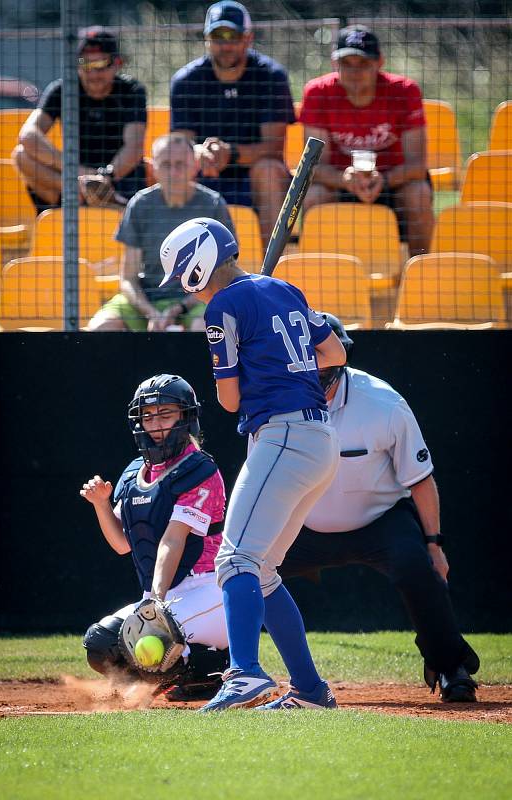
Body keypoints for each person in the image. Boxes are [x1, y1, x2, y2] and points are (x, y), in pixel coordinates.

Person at [158, 218, 347, 711]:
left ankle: (244, 673)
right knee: (260, 573)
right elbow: (334, 351)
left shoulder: (223, 307)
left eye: (182, 275)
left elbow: (227, 399)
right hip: (321, 436)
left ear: (198, 267)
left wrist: (249, 356)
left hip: (282, 434)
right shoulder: (284, 288)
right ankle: (310, 690)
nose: (184, 286)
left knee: (235, 559)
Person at [280, 314, 480, 704]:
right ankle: (229, 668)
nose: (314, 386)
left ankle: (450, 666)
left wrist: (435, 547)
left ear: (341, 362)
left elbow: (420, 479)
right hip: (303, 525)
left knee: (417, 567)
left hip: (380, 522)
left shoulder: (384, 403)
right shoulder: (276, 406)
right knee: (244, 570)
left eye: (323, 374)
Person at [80, 373, 230, 700]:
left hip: (209, 591)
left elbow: (172, 541)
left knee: (149, 638)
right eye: (148, 416)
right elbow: (122, 544)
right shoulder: (135, 472)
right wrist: (101, 505)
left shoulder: (200, 470)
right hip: (163, 595)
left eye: (166, 413)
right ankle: (193, 678)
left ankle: (218, 668)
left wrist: (154, 601)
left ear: (186, 416)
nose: (155, 423)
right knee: (100, 646)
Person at [300, 24, 434, 256]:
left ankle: (421, 276)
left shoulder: (404, 91)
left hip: (393, 183)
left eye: (363, 63)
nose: (354, 72)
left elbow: (417, 167)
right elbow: (313, 167)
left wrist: (383, 179)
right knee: (314, 196)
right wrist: (345, 180)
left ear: (379, 62)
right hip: (340, 184)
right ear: (334, 63)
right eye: (346, 64)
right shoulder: (317, 92)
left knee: (418, 193)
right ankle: (315, 278)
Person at [170, 1, 295, 247]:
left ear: (249, 38)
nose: (226, 45)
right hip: (207, 171)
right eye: (218, 36)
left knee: (270, 170)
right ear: (206, 38)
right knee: (174, 167)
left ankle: (272, 269)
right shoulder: (185, 80)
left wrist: (231, 153)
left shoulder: (271, 76)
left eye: (234, 36)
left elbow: (274, 147)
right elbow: (180, 143)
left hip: (253, 173)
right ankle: (184, 266)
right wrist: (200, 152)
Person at [87, 133, 236, 332]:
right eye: (166, 164)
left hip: (198, 299)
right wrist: (151, 313)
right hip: (145, 301)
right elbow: (128, 278)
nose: (173, 172)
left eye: (180, 164)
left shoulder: (213, 205)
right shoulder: (140, 204)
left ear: (194, 166)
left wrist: (178, 309)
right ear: (154, 167)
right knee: (101, 327)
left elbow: (222, 276)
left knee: (206, 327)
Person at [13, 26, 147, 215]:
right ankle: (80, 195)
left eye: (100, 63)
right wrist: (80, 173)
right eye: (84, 63)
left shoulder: (132, 91)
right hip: (72, 181)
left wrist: (104, 177)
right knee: (20, 156)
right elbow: (27, 136)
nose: (93, 73)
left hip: (118, 179)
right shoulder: (62, 89)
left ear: (117, 63)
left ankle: (99, 199)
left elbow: (134, 147)